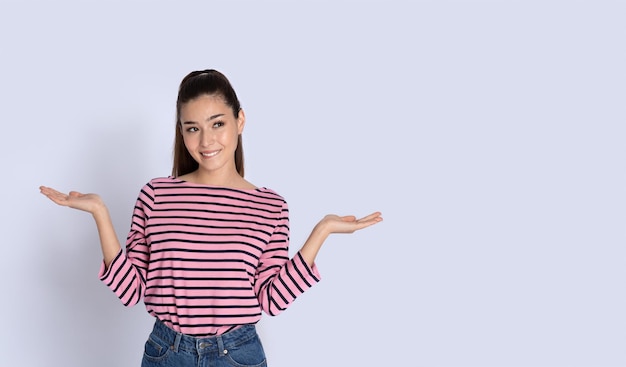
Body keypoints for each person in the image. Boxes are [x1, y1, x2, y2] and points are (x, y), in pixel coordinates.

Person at [40, 69, 382, 367]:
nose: (206, 141)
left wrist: (321, 232)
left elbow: (271, 299)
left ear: (240, 121)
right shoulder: (157, 195)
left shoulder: (271, 206)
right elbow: (131, 291)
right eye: (192, 128)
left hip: (238, 355)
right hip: (166, 353)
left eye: (217, 123)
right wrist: (100, 212)